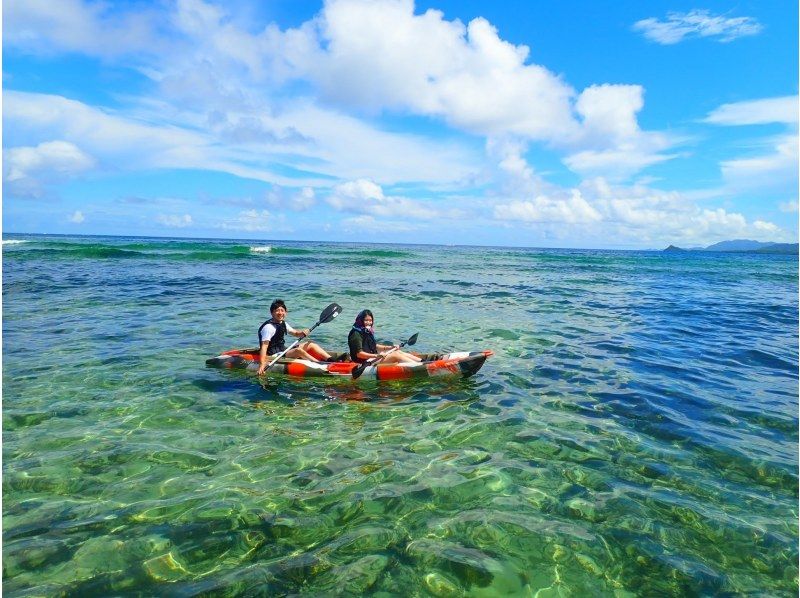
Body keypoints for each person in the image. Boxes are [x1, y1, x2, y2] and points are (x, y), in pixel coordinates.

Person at [257, 299, 334, 374]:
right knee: (298, 351)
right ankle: (321, 365)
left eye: (282, 310)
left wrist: (303, 332)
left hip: (282, 350)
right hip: (273, 355)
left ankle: (331, 360)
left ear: (286, 312)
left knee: (310, 344)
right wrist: (262, 364)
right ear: (272, 313)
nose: (280, 313)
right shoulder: (268, 327)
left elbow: (296, 333)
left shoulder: (283, 323)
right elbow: (264, 347)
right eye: (277, 310)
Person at [348, 309, 422, 364]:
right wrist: (377, 356)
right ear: (361, 320)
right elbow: (359, 354)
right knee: (395, 355)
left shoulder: (366, 330)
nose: (369, 323)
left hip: (371, 357)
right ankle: (419, 366)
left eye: (370, 320)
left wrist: (391, 347)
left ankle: (422, 361)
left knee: (397, 351)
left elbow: (374, 346)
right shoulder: (356, 334)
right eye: (366, 320)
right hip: (364, 361)